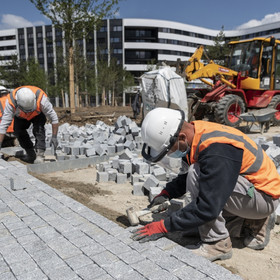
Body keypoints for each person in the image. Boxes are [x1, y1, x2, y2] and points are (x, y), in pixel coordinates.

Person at [132, 107, 280, 261]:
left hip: (264, 197)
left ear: (181, 137)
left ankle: (217, 244)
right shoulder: (196, 133)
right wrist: (167, 193)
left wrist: (163, 226)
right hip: (251, 190)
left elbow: (208, 206)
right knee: (196, 175)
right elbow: (186, 177)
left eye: (169, 150)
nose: (170, 154)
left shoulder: (217, 150)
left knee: (197, 173)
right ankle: (251, 220)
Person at [0, 86, 59, 163]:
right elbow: (3, 125)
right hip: (21, 116)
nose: (29, 112)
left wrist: (54, 137)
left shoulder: (41, 99)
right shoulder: (11, 102)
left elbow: (54, 118)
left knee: (39, 129)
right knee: (18, 131)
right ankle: (31, 154)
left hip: (37, 114)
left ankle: (40, 155)